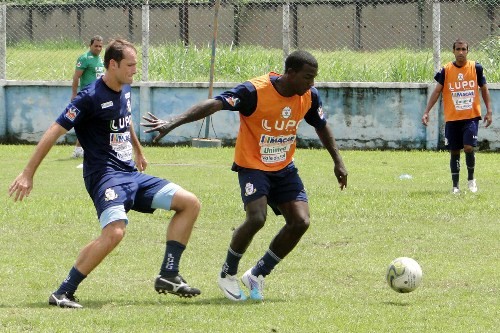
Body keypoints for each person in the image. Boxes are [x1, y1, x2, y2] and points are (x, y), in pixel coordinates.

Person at [8, 39, 201, 309]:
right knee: (115, 232)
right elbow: (54, 130)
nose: (136, 70)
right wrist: (28, 173)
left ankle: (168, 274)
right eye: (131, 65)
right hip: (105, 177)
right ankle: (63, 292)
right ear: (113, 65)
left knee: (189, 203)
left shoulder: (124, 89)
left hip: (131, 175)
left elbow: (125, 119)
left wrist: (138, 150)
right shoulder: (88, 97)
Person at [142, 50, 348, 301]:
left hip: (284, 167)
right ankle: (227, 274)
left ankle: (258, 274)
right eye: (307, 77)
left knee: (300, 222)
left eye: (314, 78)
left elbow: (320, 125)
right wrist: (173, 122)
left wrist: (338, 161)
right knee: (257, 218)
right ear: (290, 73)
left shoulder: (308, 96)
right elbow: (216, 103)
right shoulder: (254, 91)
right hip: (253, 165)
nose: (312, 83)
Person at [422, 38, 493, 194]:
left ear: (467, 51)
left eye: (463, 49)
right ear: (453, 51)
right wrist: (427, 111)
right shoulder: (446, 70)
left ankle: (471, 180)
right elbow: (436, 91)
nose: (461, 52)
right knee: (454, 151)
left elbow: (484, 90)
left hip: (471, 117)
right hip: (452, 118)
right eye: (458, 49)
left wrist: (489, 111)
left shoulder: (476, 68)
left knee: (468, 147)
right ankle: (455, 186)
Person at [71, 35, 105, 158]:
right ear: (90, 45)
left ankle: (83, 149)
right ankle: (79, 149)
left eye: (100, 46)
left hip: (98, 95)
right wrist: (74, 94)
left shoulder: (100, 59)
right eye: (96, 46)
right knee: (86, 122)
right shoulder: (85, 58)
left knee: (94, 122)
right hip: (87, 96)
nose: (98, 48)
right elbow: (76, 77)